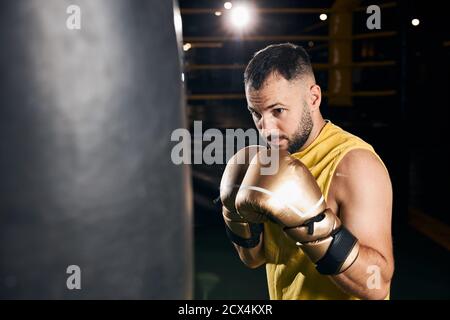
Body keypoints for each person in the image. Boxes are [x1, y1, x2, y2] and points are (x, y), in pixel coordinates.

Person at [219, 43, 394, 300]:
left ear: (313, 98)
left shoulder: (354, 163)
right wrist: (235, 216)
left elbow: (377, 285)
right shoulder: (269, 162)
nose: (265, 128)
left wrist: (315, 227)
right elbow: (254, 259)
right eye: (255, 113)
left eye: (277, 110)